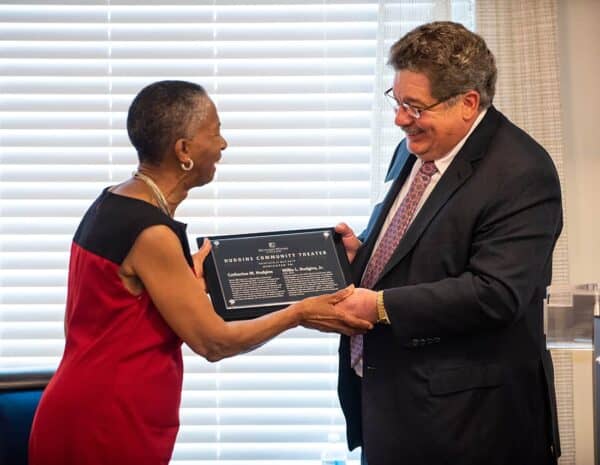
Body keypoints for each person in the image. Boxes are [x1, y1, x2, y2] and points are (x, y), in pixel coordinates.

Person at [28, 80, 372, 465]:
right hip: (107, 418)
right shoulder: (152, 233)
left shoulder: (114, 202)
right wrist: (299, 313)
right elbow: (214, 343)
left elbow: (118, 307)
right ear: (184, 150)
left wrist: (182, 284)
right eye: (216, 132)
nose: (223, 144)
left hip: (88, 401)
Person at [333, 21, 563, 465]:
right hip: (394, 408)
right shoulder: (418, 145)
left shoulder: (522, 172)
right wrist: (363, 257)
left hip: (469, 427)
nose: (401, 119)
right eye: (397, 102)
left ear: (468, 103)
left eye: (414, 107)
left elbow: (496, 293)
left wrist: (379, 306)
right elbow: (421, 244)